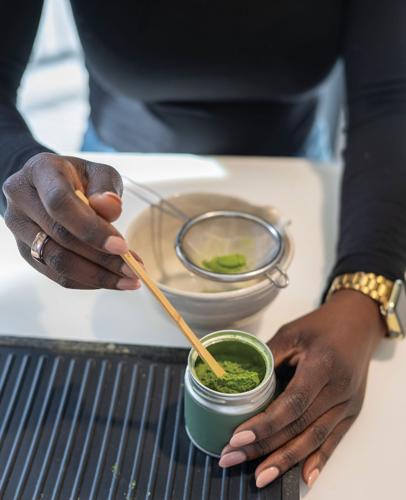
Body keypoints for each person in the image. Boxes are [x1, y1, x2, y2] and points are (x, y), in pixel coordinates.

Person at [1, 0, 405, 490]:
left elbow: (391, 97)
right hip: (116, 179)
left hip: (299, 164)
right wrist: (20, 167)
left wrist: (366, 288)